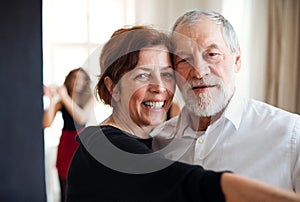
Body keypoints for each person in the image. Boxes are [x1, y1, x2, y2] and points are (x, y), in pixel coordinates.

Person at [66, 25, 300, 202]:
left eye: (167, 74)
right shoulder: (104, 148)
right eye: (143, 75)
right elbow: (192, 185)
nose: (159, 87)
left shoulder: (158, 138)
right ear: (112, 88)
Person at [151, 9, 300, 192]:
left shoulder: (291, 134)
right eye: (184, 59)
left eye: (212, 54)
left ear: (237, 59)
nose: (198, 72)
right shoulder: (157, 142)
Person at [43, 67, 93, 202]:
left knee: (82, 181)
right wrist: (53, 100)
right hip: (66, 142)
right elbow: (46, 123)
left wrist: (64, 96)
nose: (78, 81)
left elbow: (81, 118)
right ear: (68, 80)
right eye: (74, 77)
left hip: (81, 143)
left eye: (82, 78)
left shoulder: (89, 98)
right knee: (64, 180)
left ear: (85, 82)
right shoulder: (61, 100)